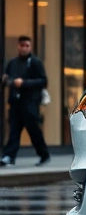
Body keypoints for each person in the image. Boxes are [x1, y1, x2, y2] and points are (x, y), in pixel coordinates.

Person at [1, 36, 50, 166]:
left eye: (26, 46)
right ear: (18, 46)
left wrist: (24, 83)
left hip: (30, 102)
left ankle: (44, 154)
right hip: (15, 102)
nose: (24, 48)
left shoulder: (35, 62)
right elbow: (7, 78)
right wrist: (7, 80)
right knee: (14, 130)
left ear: (30, 47)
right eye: (22, 45)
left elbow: (43, 81)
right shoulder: (13, 63)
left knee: (33, 130)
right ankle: (8, 156)